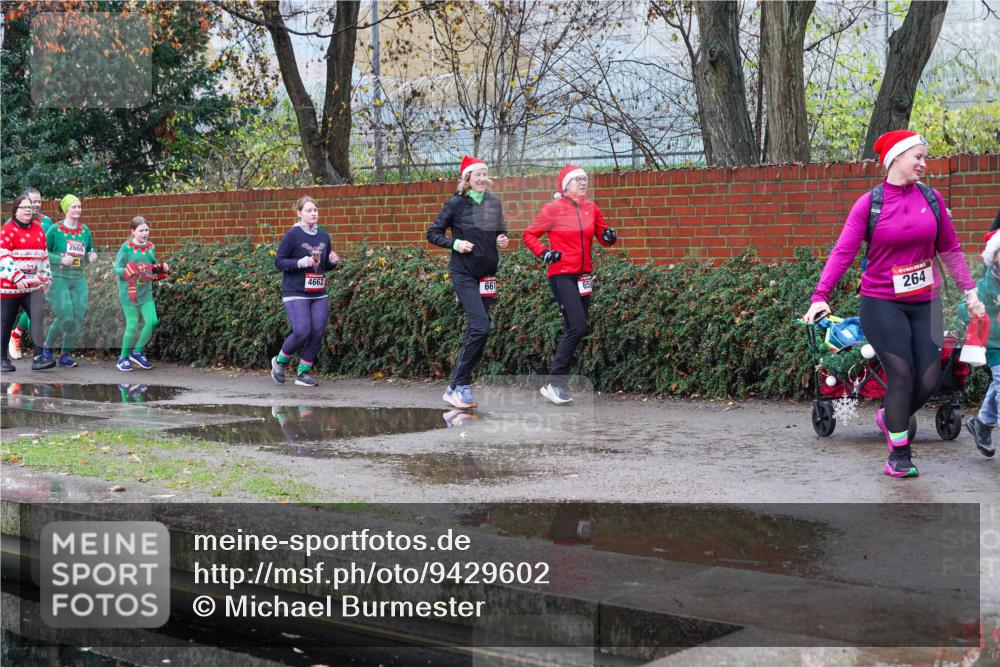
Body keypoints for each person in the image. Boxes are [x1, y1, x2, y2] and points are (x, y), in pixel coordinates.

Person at [803, 130, 984, 478]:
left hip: (925, 302)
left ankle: (890, 418)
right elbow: (844, 251)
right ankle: (899, 455)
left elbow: (951, 250)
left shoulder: (931, 199)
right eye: (917, 156)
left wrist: (970, 292)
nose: (923, 163)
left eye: (924, 157)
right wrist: (820, 296)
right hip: (882, 302)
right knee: (901, 373)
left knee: (931, 378)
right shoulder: (870, 204)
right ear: (896, 159)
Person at [523, 164, 617, 405]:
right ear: (565, 186)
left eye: (585, 179)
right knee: (577, 325)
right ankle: (555, 382)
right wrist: (544, 252)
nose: (583, 183)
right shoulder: (553, 209)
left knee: (576, 327)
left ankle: (552, 383)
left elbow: (602, 233)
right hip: (562, 274)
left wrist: (608, 237)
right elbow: (529, 234)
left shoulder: (591, 208)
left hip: (584, 276)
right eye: (577, 180)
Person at [427, 156, 508, 409]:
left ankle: (456, 386)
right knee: (481, 326)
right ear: (467, 179)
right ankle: (460, 385)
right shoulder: (456, 203)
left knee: (480, 331)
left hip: (487, 275)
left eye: (485, 174)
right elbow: (432, 232)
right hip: (464, 273)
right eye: (478, 175)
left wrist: (503, 239)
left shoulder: (493, 202)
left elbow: (499, 232)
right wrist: (455, 243)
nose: (483, 178)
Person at [271, 196, 340, 387]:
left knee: (317, 331)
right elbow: (279, 262)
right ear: (299, 213)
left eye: (315, 210)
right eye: (309, 210)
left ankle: (302, 373)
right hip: (295, 291)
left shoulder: (324, 236)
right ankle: (280, 362)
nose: (313, 213)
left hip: (318, 291)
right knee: (302, 331)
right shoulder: (293, 235)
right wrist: (299, 263)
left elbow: (323, 265)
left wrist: (332, 262)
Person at [1, 195, 55, 372]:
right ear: (15, 210)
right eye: (23, 207)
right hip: (9, 287)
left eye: (30, 207)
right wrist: (17, 277)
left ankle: (39, 357)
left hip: (33, 286)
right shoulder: (7, 230)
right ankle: (2, 359)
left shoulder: (39, 230)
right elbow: (3, 257)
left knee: (38, 319)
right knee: (5, 322)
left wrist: (46, 278)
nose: (27, 210)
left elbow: (44, 256)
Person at [42, 194, 97, 368]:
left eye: (79, 206)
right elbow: (42, 253)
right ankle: (46, 348)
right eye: (74, 206)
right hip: (58, 278)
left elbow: (88, 253)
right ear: (66, 209)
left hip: (78, 278)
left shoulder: (84, 230)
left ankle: (65, 354)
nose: (77, 210)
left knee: (78, 316)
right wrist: (59, 259)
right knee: (66, 315)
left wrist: (92, 256)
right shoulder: (55, 230)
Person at [961, 228, 1000, 458]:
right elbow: (961, 308)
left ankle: (982, 423)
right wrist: (972, 311)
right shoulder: (986, 287)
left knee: (997, 386)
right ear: (994, 256)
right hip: (996, 345)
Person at [113, 216, 168, 371]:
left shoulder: (151, 247)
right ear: (133, 231)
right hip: (128, 293)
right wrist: (126, 271)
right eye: (141, 230)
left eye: (147, 230)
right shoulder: (126, 248)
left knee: (152, 321)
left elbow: (152, 266)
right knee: (132, 325)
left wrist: (162, 268)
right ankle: (123, 358)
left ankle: (137, 352)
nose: (145, 233)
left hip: (145, 292)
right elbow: (116, 268)